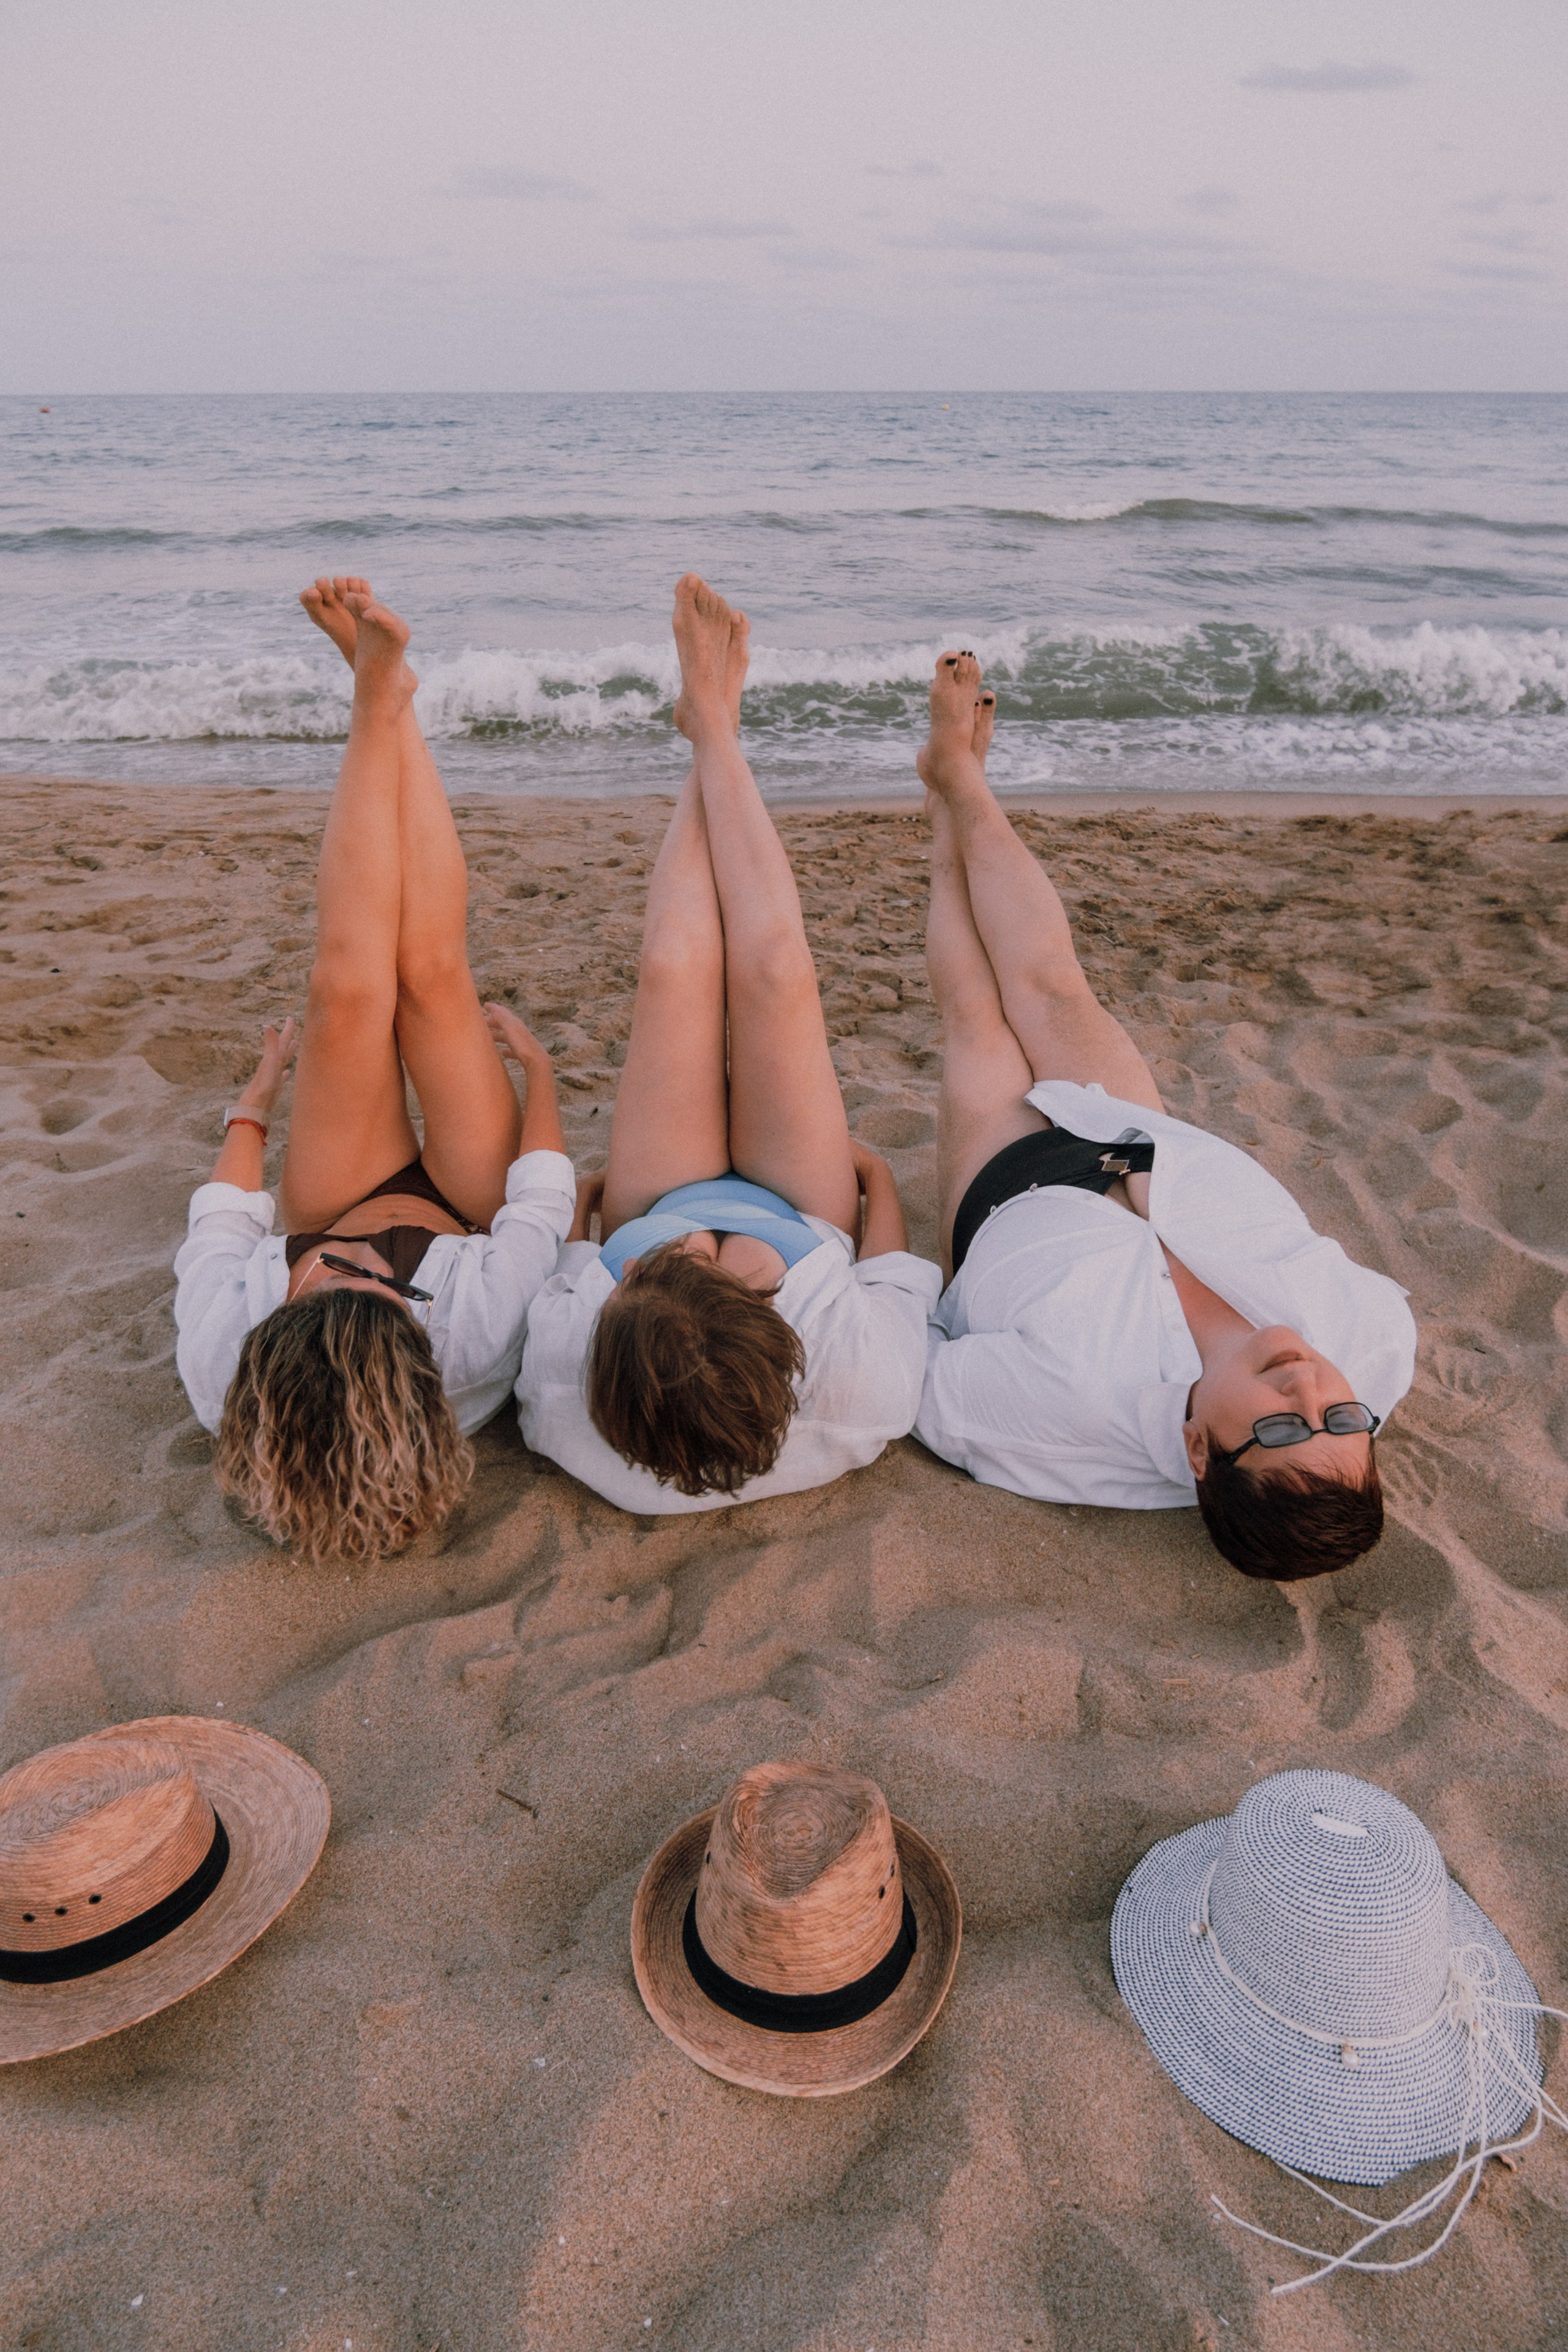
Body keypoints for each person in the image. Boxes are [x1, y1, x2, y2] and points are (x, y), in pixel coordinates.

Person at [912, 653, 1416, 1580]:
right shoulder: (1375, 1345)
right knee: (1053, 983)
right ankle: (964, 783)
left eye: (1277, 1428)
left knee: (977, 1016)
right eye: (1342, 1420)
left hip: (1013, 1187)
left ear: (1198, 1454)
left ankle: (943, 819)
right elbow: (1363, 1300)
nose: (1309, 1389)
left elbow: (923, 1377)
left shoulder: (1063, 1421)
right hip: (1147, 1144)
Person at [516, 575, 939, 1512]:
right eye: (727, 1275)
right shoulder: (866, 1395)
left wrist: (602, 1216)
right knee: (779, 973)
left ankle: (708, 724)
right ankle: (714, 724)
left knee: (674, 970)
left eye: (682, 1266)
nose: (710, 1251)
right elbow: (896, 1280)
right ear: (782, 1342)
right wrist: (871, 1182)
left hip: (648, 1202)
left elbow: (564, 1268)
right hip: (804, 1207)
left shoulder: (564, 1397)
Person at [174, 580, 575, 1564]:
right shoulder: (475, 1335)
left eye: (326, 1279)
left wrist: (256, 1103)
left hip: (333, 1189)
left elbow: (225, 1222)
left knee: (347, 989)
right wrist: (542, 1077)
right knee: (432, 974)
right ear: (424, 1344)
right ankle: (395, 701)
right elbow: (543, 1204)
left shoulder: (217, 1360)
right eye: (385, 1285)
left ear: (272, 1336)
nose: (362, 1259)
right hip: (470, 1216)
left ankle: (375, 697)